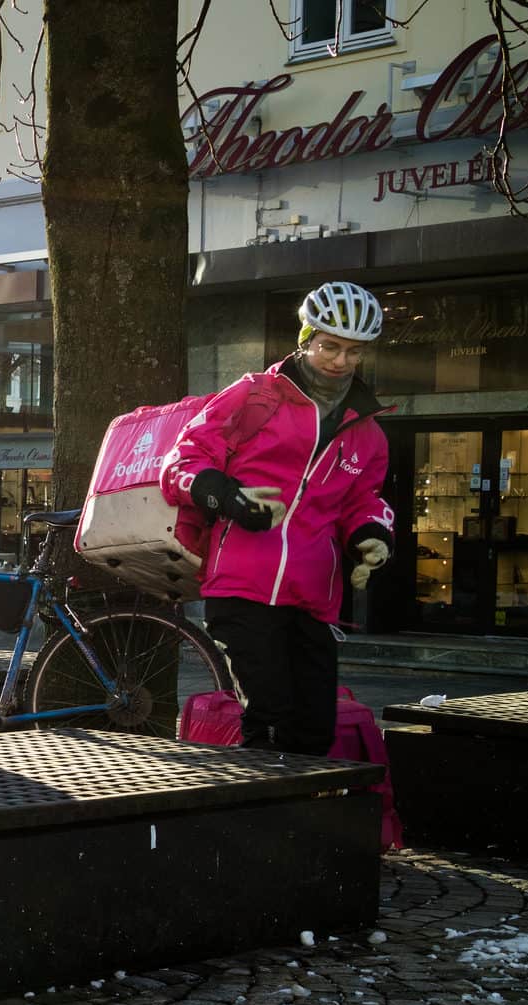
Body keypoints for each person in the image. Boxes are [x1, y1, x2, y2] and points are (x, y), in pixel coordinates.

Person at [160, 279, 394, 755]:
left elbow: (363, 499)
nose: (340, 361)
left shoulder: (368, 433)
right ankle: (260, 824)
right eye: (330, 346)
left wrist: (372, 533)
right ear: (306, 340)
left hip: (313, 594)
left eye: (354, 351)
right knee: (268, 714)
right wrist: (227, 496)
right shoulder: (254, 397)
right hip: (241, 583)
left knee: (314, 729)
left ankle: (302, 823)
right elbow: (180, 464)